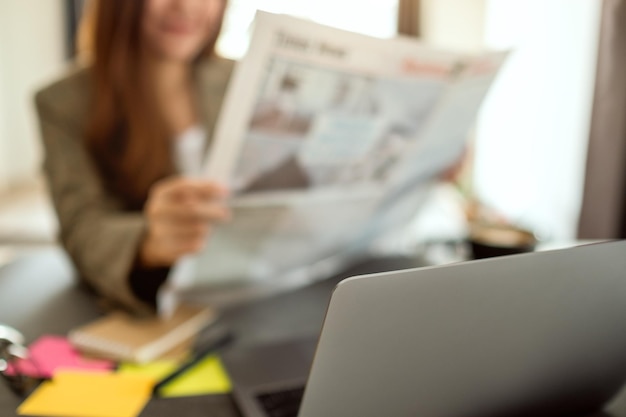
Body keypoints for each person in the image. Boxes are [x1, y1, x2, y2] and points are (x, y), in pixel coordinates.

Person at [35, 0, 233, 315]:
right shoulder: (63, 103)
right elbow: (82, 229)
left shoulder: (239, 78)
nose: (185, 6)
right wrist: (149, 241)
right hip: (156, 308)